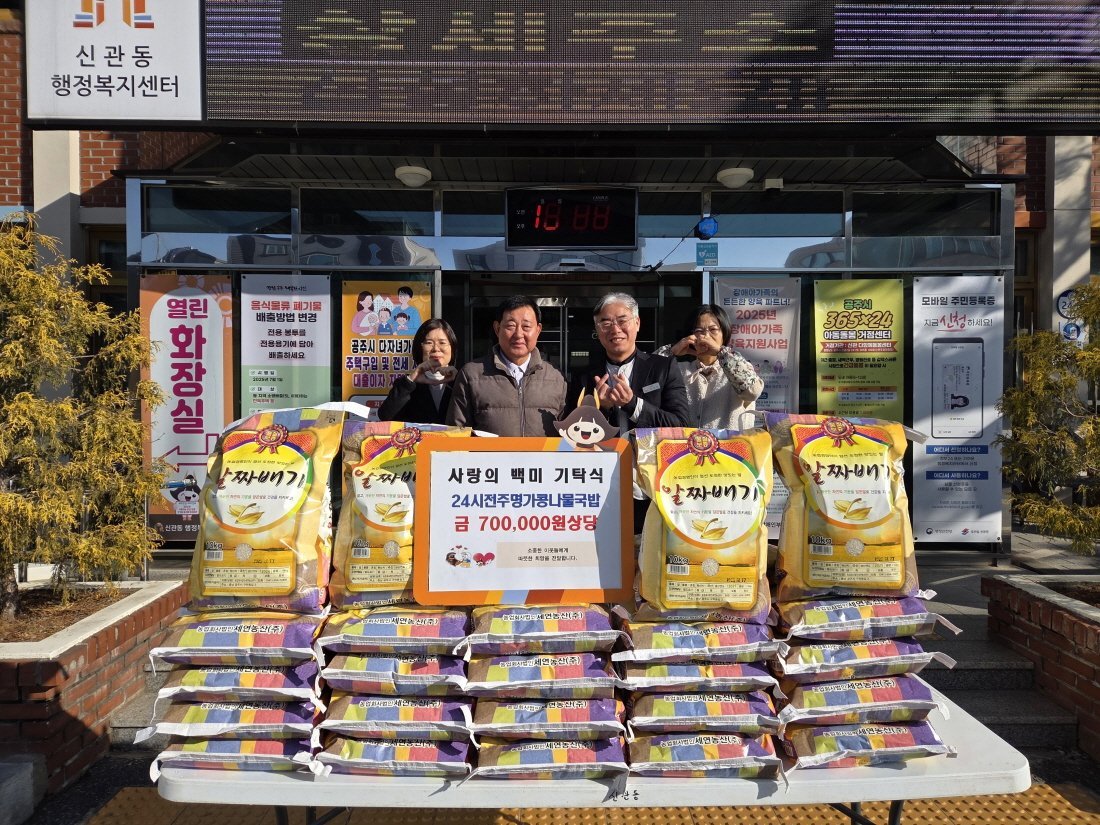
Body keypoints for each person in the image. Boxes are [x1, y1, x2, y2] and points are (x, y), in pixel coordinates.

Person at [568, 292, 690, 534]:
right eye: (605, 323)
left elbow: (681, 425)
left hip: (653, 488)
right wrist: (600, 409)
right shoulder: (584, 375)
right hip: (600, 487)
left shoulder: (662, 367)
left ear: (637, 323)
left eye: (622, 320)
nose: (615, 329)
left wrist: (633, 404)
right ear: (597, 330)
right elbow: (570, 437)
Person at [446, 295, 567, 436]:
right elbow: (456, 434)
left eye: (526, 326)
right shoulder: (471, 375)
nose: (518, 334)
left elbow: (569, 437)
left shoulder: (556, 379)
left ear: (538, 330)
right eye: (511, 326)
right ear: (497, 329)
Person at [656, 303, 764, 430]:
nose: (706, 336)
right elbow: (647, 378)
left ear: (724, 334)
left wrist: (720, 352)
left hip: (731, 443)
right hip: (687, 443)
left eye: (713, 330)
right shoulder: (680, 370)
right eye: (698, 331)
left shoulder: (739, 368)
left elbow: (753, 391)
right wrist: (671, 351)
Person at [377, 318, 459, 425]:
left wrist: (458, 380)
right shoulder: (407, 384)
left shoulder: (463, 381)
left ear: (452, 347)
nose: (436, 348)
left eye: (442, 343)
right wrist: (412, 379)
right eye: (429, 343)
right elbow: (385, 416)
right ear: (420, 348)